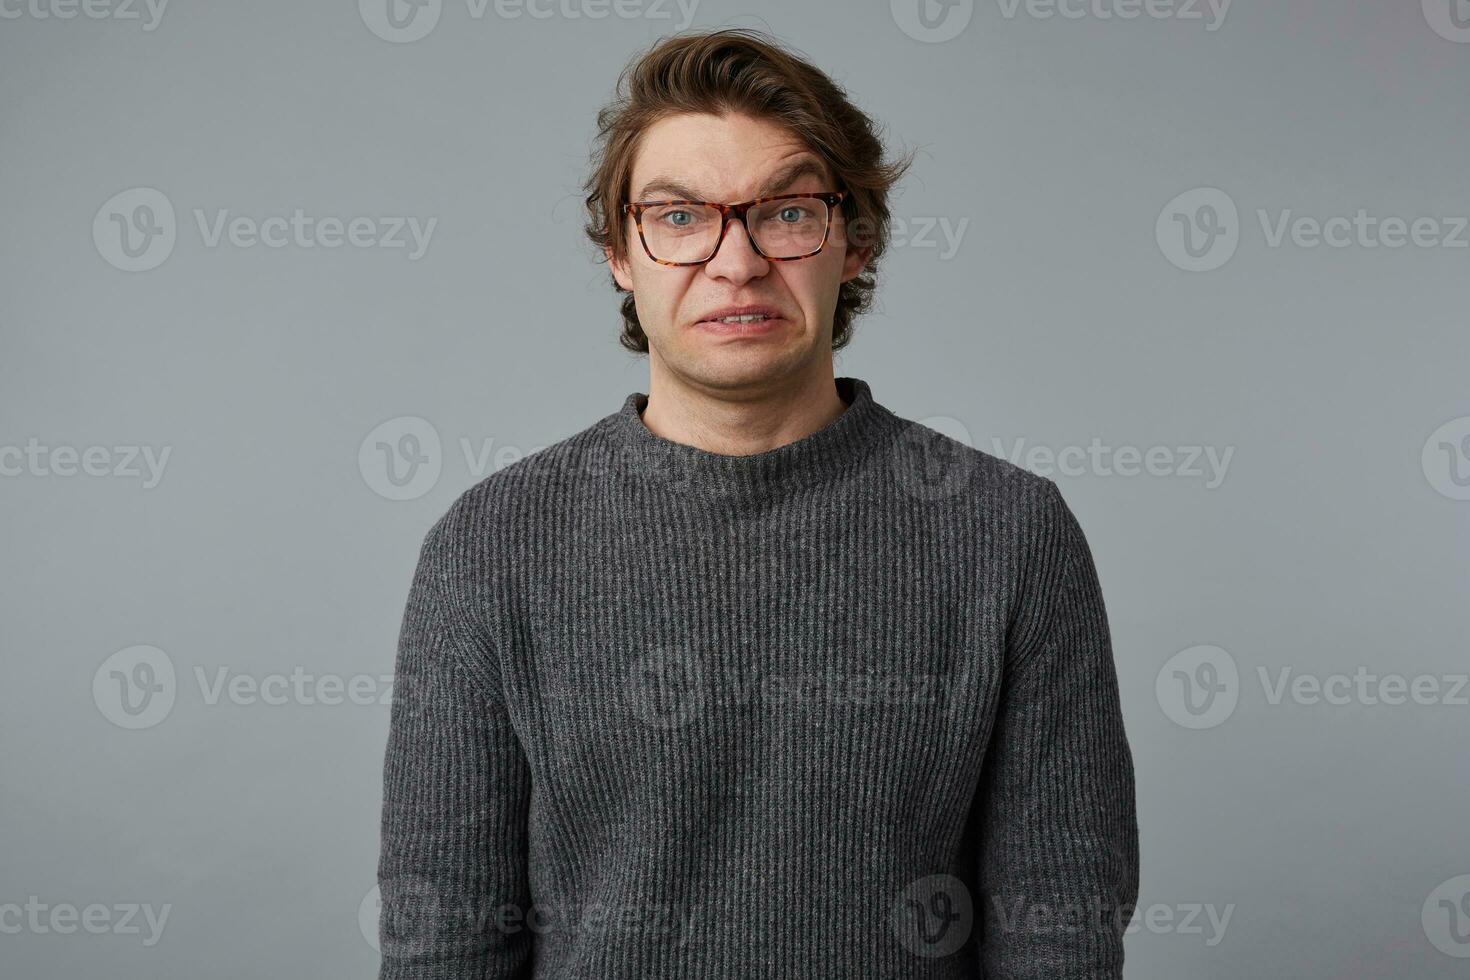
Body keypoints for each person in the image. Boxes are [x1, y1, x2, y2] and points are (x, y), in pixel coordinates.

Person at [377, 27, 1138, 979]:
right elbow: (445, 946)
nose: (736, 263)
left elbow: (1058, 937)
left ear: (852, 241)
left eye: (784, 212)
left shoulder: (1012, 534)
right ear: (620, 253)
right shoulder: (488, 545)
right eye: (681, 216)